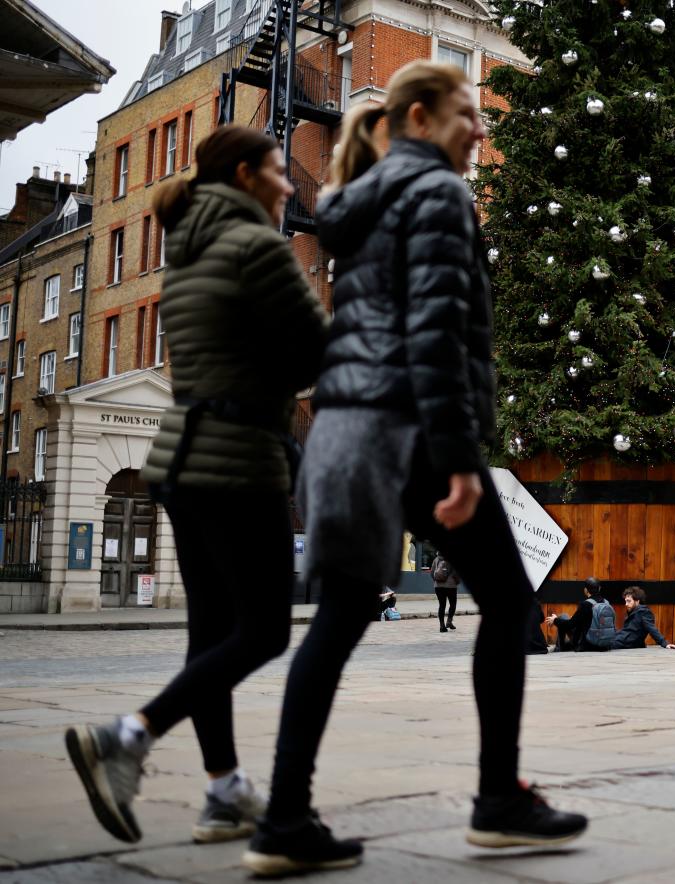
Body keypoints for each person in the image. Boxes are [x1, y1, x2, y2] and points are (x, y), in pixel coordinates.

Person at [241, 62, 587, 877]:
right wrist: (462, 463)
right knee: (507, 601)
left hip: (343, 436)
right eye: (469, 114)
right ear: (424, 117)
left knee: (339, 618)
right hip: (411, 433)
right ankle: (498, 800)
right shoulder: (435, 196)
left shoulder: (362, 203)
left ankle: (284, 819)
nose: (479, 130)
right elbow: (434, 334)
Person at [63, 125, 329, 847]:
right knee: (266, 630)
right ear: (246, 174)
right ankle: (129, 733)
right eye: (280, 171)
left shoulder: (187, 251)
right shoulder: (258, 247)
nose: (288, 184)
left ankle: (221, 791)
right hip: (239, 460)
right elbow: (316, 353)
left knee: (210, 635)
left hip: (181, 459)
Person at [545, 577, 615, 652]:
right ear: (599, 588)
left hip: (587, 644)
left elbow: (570, 624)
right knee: (564, 619)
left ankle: (559, 649)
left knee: (563, 617)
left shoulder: (585, 604)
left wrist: (555, 620)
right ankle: (560, 647)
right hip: (604, 644)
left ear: (585, 590)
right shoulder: (606, 603)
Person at [608, 587, 675, 650]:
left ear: (637, 601)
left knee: (603, 645)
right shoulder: (633, 612)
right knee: (603, 639)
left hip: (627, 642)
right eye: (626, 601)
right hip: (623, 639)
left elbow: (651, 628)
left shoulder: (644, 612)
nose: (626, 604)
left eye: (629, 601)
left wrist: (665, 643)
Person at [431, 552, 459, 632]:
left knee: (442, 605)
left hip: (438, 587)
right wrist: (457, 581)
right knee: (453, 604)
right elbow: (455, 573)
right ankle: (449, 621)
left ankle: (442, 626)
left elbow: (432, 573)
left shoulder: (436, 559)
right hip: (451, 586)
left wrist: (437, 581)